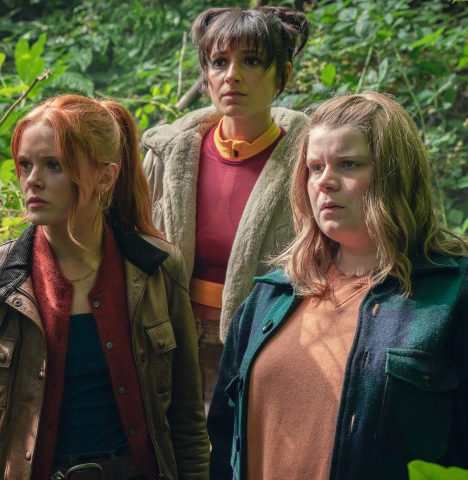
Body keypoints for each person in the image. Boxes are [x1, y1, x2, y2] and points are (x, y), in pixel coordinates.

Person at [207, 92, 468, 479]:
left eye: (349, 164)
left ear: (395, 173)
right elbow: (224, 442)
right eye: (315, 167)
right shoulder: (269, 298)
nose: (325, 182)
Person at [0, 94, 208, 480]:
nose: (32, 179)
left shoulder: (157, 270)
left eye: (54, 165)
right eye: (25, 165)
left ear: (105, 176)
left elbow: (187, 419)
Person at [141, 5, 310, 407]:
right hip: (171, 339)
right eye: (219, 62)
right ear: (206, 77)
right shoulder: (167, 155)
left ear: (283, 74)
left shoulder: (309, 162)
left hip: (269, 341)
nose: (231, 74)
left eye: (251, 60)